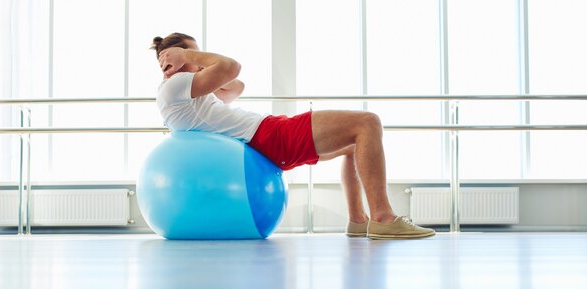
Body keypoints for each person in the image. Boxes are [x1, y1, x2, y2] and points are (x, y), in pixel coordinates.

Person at [151, 32, 435, 240]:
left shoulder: (188, 93)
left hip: (268, 138)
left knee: (352, 145)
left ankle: (358, 221)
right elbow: (232, 68)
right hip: (272, 135)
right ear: (172, 63)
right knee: (367, 123)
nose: (200, 60)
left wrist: (195, 62)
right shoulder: (177, 85)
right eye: (193, 54)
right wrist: (186, 57)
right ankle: (384, 217)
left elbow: (235, 86)